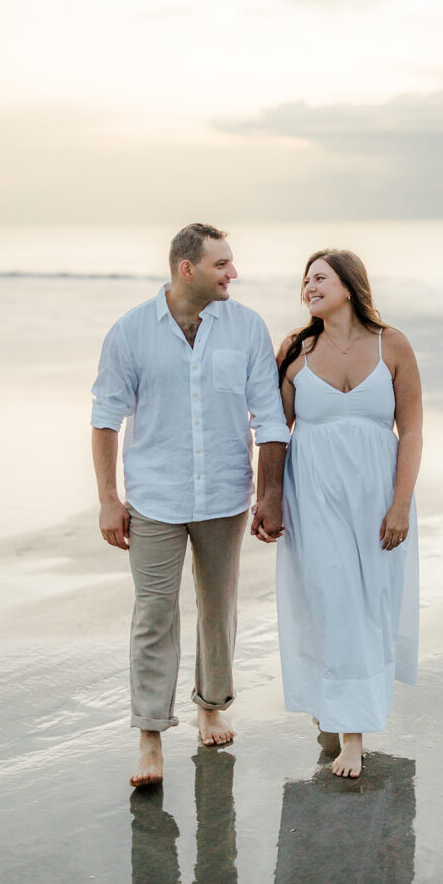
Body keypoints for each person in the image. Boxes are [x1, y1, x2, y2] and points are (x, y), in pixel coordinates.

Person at [91, 223, 289, 787]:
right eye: (221, 264)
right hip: (154, 495)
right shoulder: (131, 332)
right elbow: (106, 418)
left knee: (218, 606)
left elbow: (269, 417)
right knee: (154, 612)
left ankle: (211, 705)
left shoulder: (247, 327)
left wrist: (270, 493)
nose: (233, 273)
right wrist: (110, 500)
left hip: (225, 494)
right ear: (187, 269)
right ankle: (150, 736)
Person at [265, 248, 421, 779]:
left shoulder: (392, 345)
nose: (308, 287)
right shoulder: (295, 350)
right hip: (314, 494)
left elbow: (413, 430)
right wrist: (268, 498)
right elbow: (273, 431)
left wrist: (401, 502)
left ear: (349, 287)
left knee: (370, 603)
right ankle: (351, 733)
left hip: (378, 496)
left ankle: (344, 709)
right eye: (305, 280)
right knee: (333, 598)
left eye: (320, 278)